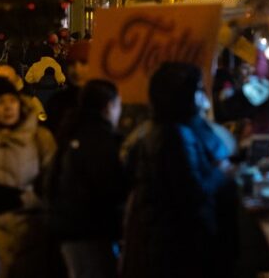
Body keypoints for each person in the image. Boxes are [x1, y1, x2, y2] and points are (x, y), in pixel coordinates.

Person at [121, 62, 237, 278]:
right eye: (198, 89)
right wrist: (221, 172)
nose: (202, 96)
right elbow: (191, 191)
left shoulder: (161, 130)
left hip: (171, 244)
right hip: (182, 246)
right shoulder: (176, 136)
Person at [0, 77, 57, 277]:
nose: (8, 108)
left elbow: (52, 182)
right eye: (0, 102)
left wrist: (23, 199)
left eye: (12, 101)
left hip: (31, 232)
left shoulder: (39, 138)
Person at [46, 80, 126, 278]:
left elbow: (49, 181)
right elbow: (109, 189)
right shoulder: (102, 141)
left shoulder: (70, 132)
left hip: (68, 229)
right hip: (93, 232)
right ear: (109, 106)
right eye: (119, 106)